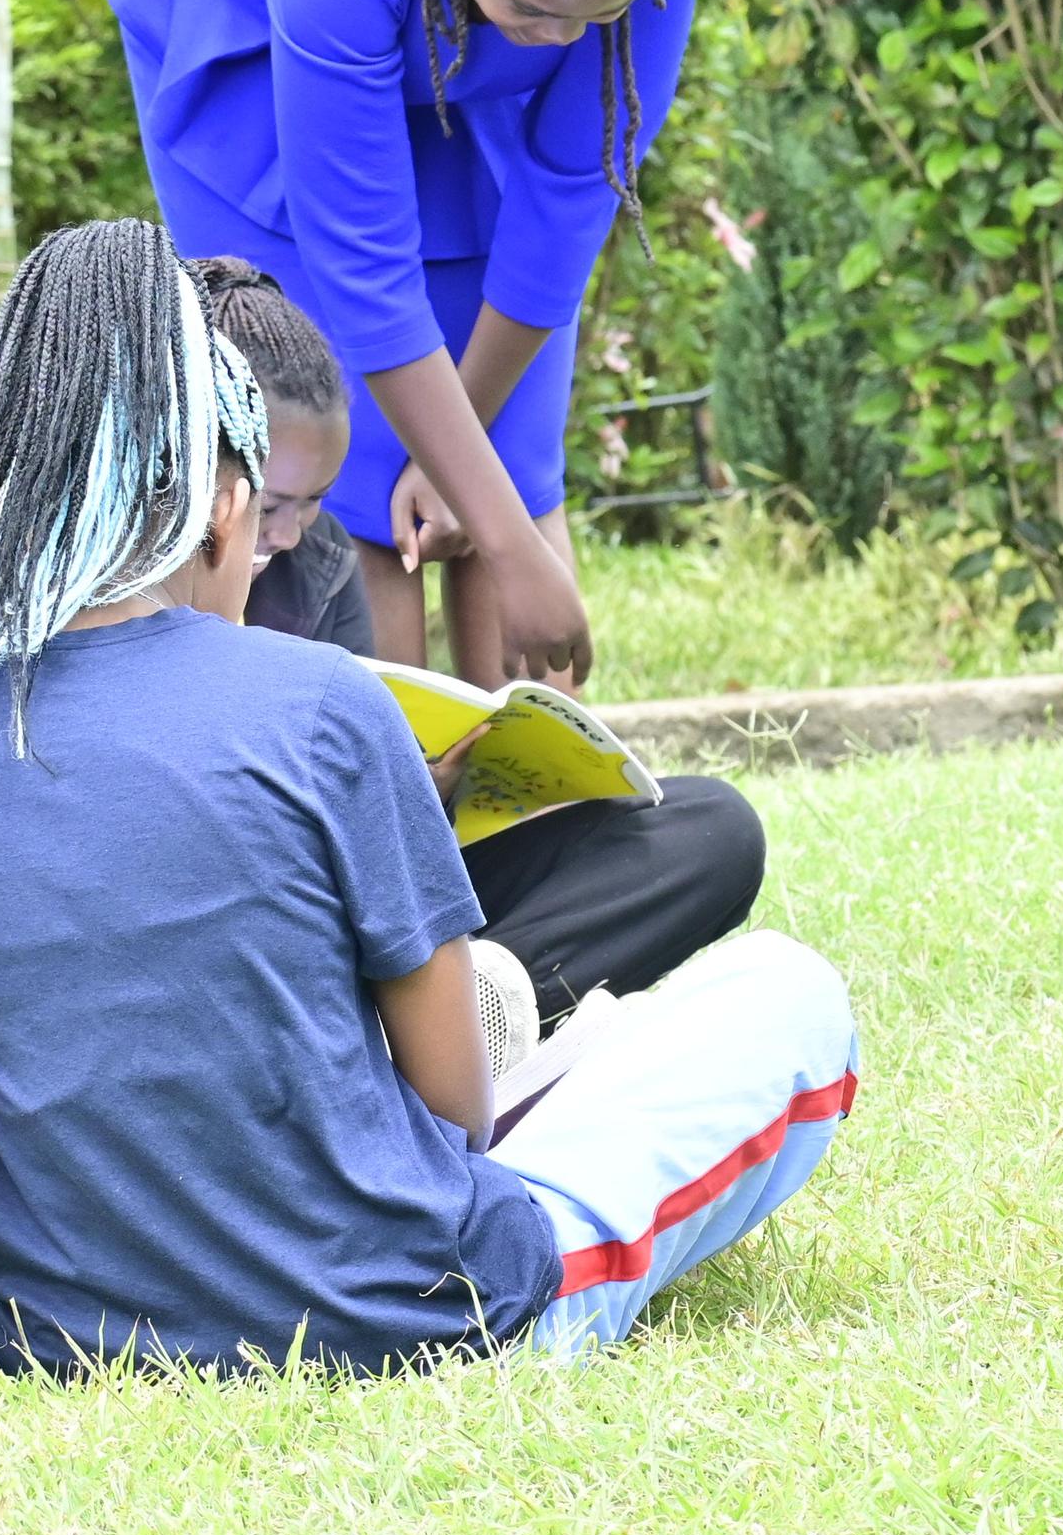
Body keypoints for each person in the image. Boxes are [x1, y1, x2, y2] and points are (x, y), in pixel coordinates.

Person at [0, 222, 854, 1406]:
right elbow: (452, 1113)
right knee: (787, 994)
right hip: (416, 1317)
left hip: (62, 1342)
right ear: (222, 504)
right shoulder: (320, 705)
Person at [108, 0, 713, 687]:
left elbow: (568, 195)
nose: (563, 43)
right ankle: (378, 764)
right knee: (346, 460)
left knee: (507, 459)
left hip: (468, 43)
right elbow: (362, 266)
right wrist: (505, 541)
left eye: (593, 17)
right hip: (250, 29)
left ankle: (525, 775)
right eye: (535, 11)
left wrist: (488, 500)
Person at [193, 255, 769, 1030]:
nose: (292, 534)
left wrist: (416, 796)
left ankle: (478, 1018)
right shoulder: (111, 598)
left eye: (317, 502)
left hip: (358, 919)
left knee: (710, 829)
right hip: (232, 941)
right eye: (271, 508)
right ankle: (417, 1034)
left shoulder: (322, 567)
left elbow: (384, 853)